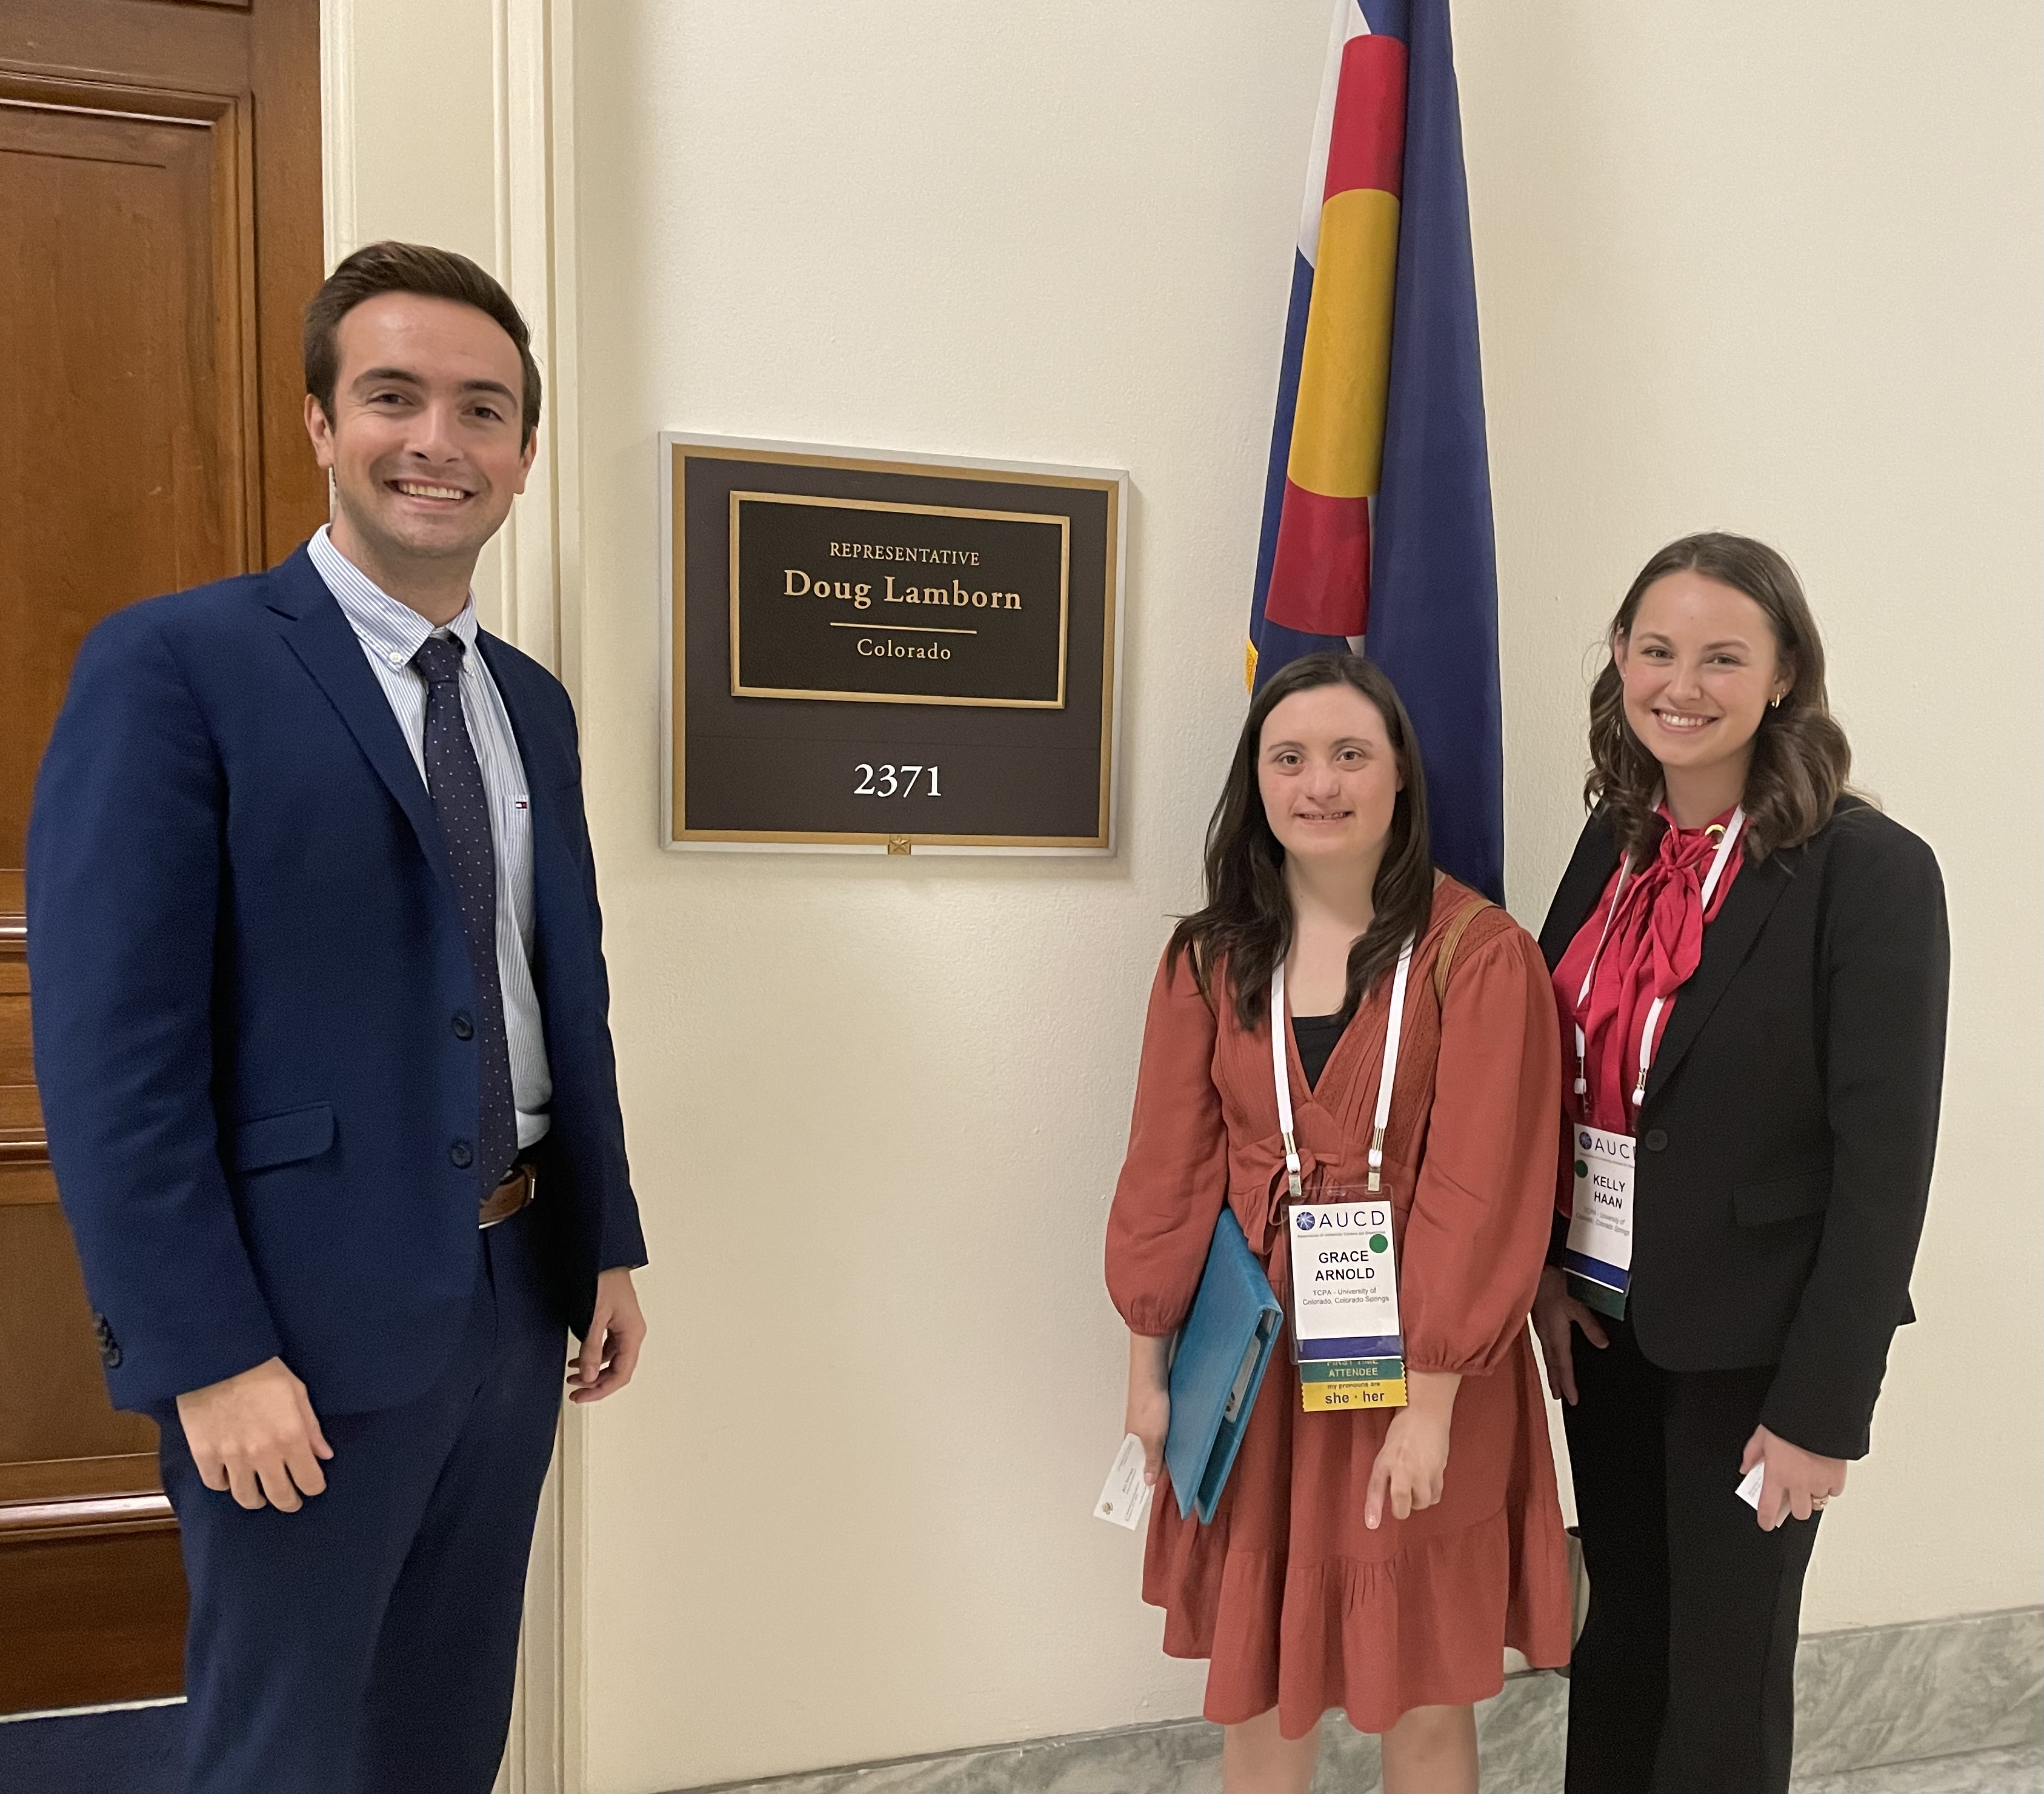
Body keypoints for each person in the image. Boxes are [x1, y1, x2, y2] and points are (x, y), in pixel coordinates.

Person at [27, 241, 648, 1794]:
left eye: (483, 409)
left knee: (445, 1731)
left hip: (513, 1300)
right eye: (394, 395)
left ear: (522, 451)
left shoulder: (532, 703)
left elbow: (558, 987)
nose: (439, 439)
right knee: (286, 1750)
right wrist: (206, 1350)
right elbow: (117, 1058)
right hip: (289, 1328)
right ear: (321, 422)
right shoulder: (177, 666)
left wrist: (605, 1236)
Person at [1105, 653, 1573, 1794]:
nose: (1322, 783)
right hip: (1257, 1366)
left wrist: (1432, 1400)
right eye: (1291, 757)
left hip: (1426, 1368)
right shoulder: (1208, 959)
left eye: (1352, 754)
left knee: (1420, 1690)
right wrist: (1148, 1370)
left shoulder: (1483, 956)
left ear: (1402, 777)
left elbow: (1483, 1189)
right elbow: (1168, 1173)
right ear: (1256, 783)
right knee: (1259, 1686)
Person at [1531, 533, 1948, 1794]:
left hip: (1756, 1357)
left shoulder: (1868, 873)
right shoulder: (1615, 846)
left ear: (1781, 677)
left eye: (1724, 656)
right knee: (1619, 1655)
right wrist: (1551, 1276)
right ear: (1619, 660)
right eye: (1657, 650)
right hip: (1608, 1334)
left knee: (1721, 1684)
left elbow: (1888, 1167)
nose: (1683, 683)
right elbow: (1572, 1085)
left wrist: (1825, 1408)